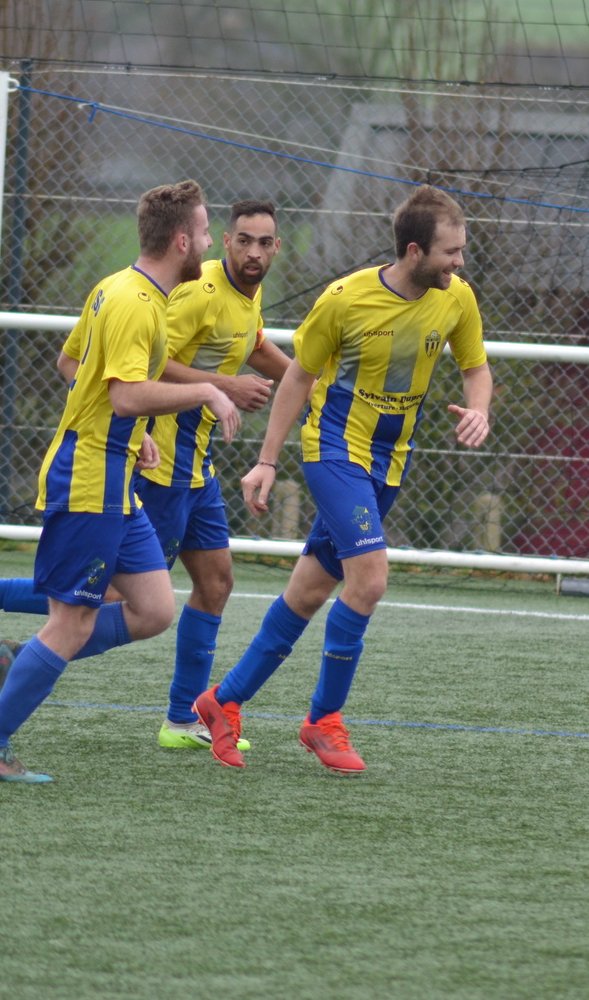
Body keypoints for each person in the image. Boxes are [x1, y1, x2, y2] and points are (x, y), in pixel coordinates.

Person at [0, 200, 292, 757]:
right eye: (212, 234)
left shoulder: (125, 289)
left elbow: (76, 366)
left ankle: (173, 715)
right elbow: (126, 390)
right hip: (104, 472)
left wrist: (131, 428)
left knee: (157, 606)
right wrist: (208, 390)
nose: (215, 246)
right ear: (184, 240)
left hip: (137, 465)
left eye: (263, 241)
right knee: (82, 611)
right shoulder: (145, 301)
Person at [192, 185, 492, 774]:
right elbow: (297, 379)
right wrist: (268, 460)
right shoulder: (344, 299)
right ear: (414, 251)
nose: (459, 263)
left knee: (307, 592)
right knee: (370, 580)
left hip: (391, 460)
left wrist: (478, 408)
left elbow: (475, 367)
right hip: (334, 452)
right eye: (450, 252)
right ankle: (323, 720)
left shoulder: (456, 297)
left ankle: (222, 701)